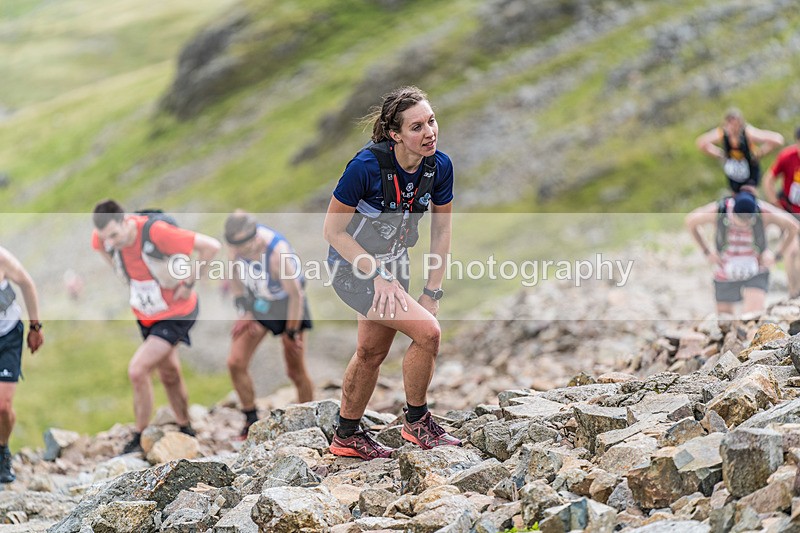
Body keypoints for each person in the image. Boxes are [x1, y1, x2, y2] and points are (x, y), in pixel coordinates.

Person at [322, 86, 461, 460]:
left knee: (371, 352)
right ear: (395, 134)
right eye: (416, 127)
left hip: (394, 265)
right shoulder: (365, 168)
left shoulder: (439, 166)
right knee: (428, 333)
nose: (429, 132)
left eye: (431, 121)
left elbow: (442, 230)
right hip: (352, 269)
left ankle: (346, 435)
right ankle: (416, 423)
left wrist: (432, 291)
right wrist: (379, 274)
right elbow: (333, 233)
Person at [92, 200, 220, 454]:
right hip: (147, 313)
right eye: (108, 239)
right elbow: (99, 246)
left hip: (177, 313)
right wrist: (122, 273)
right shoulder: (103, 238)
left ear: (126, 220)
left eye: (116, 235)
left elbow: (211, 247)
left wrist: (189, 283)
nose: (112, 243)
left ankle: (139, 436)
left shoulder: (157, 232)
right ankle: (185, 427)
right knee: (169, 372)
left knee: (138, 370)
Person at [224, 211, 314, 438]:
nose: (239, 251)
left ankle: (309, 418)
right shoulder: (236, 246)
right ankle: (250, 417)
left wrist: (292, 332)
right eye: (235, 246)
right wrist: (245, 311)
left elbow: (296, 296)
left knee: (295, 369)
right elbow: (233, 277)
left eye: (244, 246)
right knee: (235, 361)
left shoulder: (276, 255)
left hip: (288, 306)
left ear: (254, 237)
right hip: (259, 303)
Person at [686, 191, 799, 316]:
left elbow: (793, 226)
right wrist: (707, 252)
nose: (744, 222)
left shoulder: (763, 212)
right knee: (725, 321)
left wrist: (777, 256)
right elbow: (691, 221)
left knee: (751, 317)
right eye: (740, 218)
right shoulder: (720, 211)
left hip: (756, 268)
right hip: (725, 268)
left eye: (748, 219)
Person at [0, 246, 43, 482]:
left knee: (3, 407)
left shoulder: (2, 259)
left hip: (8, 336)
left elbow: (26, 283)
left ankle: (2, 450)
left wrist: (35, 326)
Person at [696, 108, 784, 194]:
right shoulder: (723, 133)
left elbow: (777, 139)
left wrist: (760, 152)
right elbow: (702, 143)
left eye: (735, 125)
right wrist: (720, 154)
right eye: (730, 124)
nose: (733, 128)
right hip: (733, 175)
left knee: (747, 199)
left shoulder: (747, 132)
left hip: (750, 174)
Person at [764, 126, 800, 297]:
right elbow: (768, 179)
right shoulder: (787, 156)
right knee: (791, 251)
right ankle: (794, 293)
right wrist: (775, 204)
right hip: (789, 211)